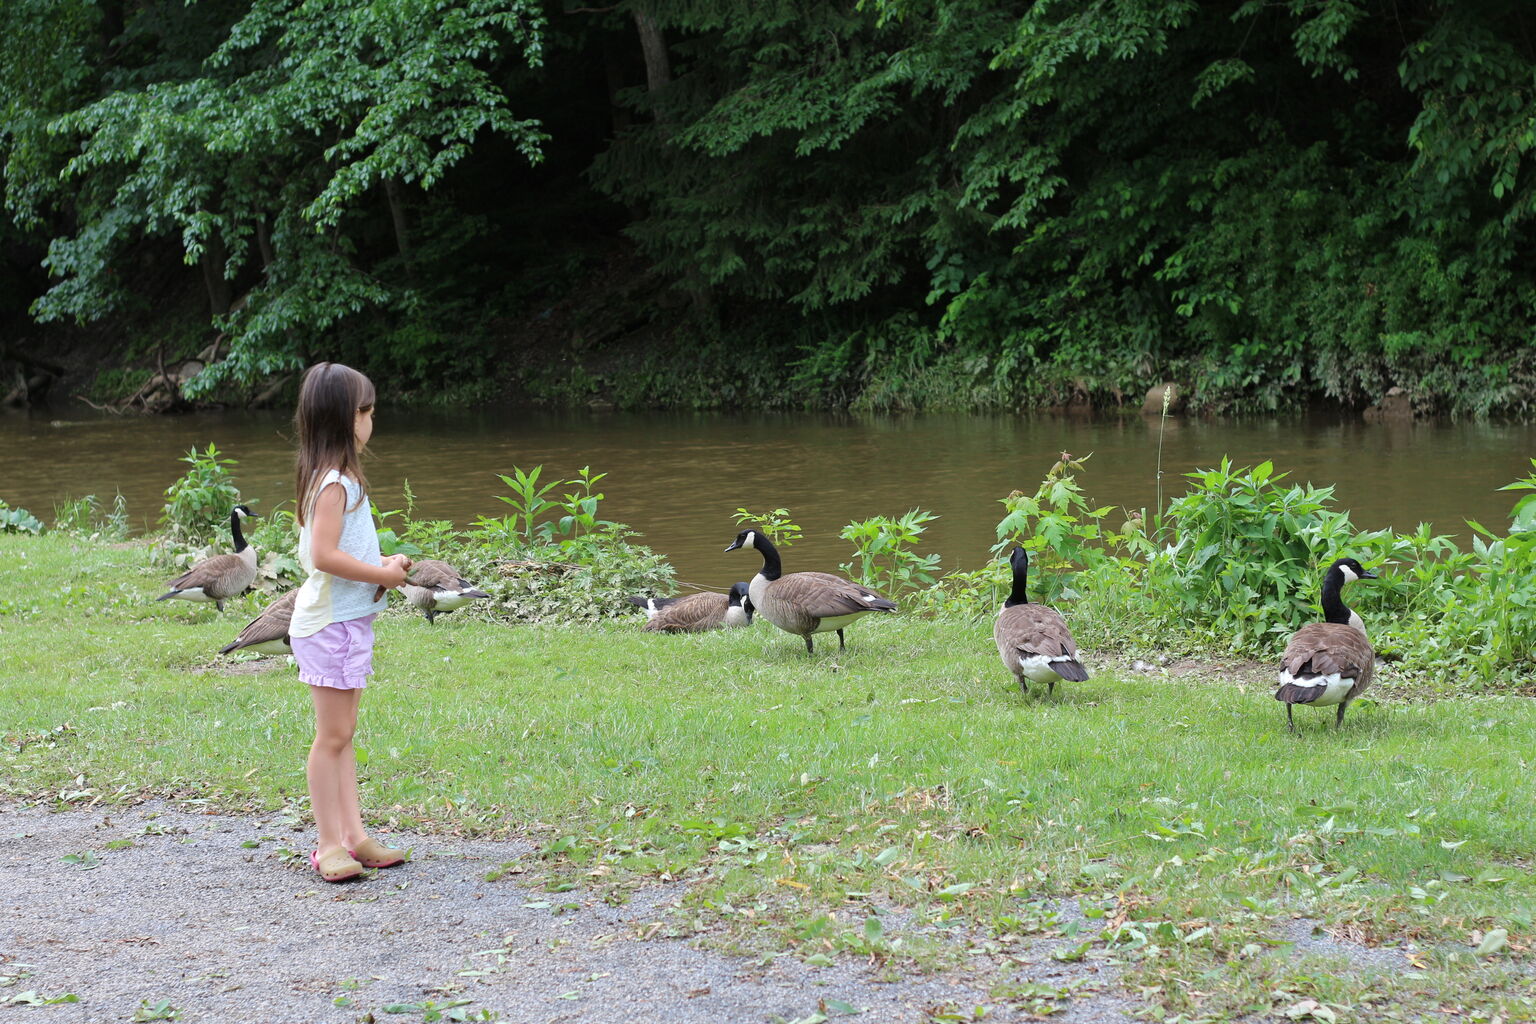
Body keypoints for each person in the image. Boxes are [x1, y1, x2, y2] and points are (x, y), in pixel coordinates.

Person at [289, 362, 412, 882]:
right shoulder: (334, 484)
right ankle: (328, 845)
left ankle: (355, 836)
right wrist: (379, 572)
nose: (371, 422)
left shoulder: (340, 479)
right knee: (331, 737)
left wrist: (383, 572)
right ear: (345, 419)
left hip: (348, 621)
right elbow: (323, 556)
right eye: (366, 412)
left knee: (343, 733)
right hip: (329, 626)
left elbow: (346, 555)